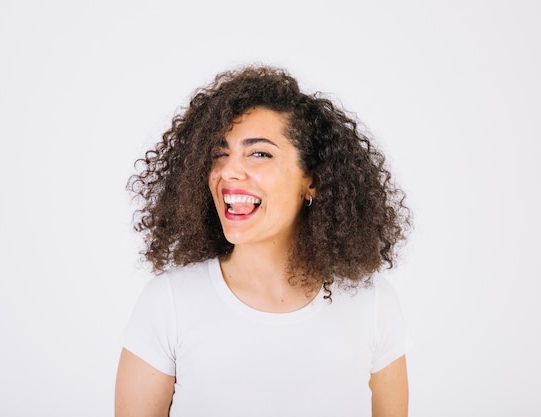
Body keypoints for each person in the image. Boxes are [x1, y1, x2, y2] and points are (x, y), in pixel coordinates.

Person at [115, 65, 412, 417]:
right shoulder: (169, 302)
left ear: (312, 181)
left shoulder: (373, 304)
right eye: (219, 154)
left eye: (259, 153)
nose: (228, 171)